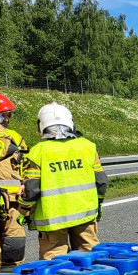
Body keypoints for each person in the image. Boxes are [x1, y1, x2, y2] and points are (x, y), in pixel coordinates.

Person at [18, 102, 107, 259]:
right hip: (85, 215)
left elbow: (31, 189)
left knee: (55, 265)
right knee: (91, 260)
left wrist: (24, 212)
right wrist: (98, 205)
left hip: (53, 221)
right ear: (70, 121)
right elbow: (101, 182)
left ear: (41, 125)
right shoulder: (88, 147)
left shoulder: (38, 152)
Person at [0, 92, 27, 270]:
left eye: (9, 114)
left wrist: (25, 183)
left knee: (14, 246)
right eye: (3, 114)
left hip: (13, 201)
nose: (7, 119)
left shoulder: (15, 136)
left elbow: (29, 163)